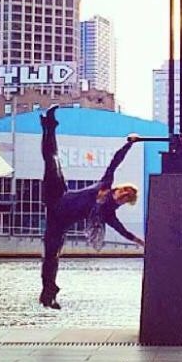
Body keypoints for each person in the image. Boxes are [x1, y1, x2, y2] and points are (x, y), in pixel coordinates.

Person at [39, 105, 145, 309]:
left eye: (125, 198)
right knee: (53, 160)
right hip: (59, 195)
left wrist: (141, 242)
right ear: (119, 188)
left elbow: (122, 231)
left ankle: (48, 296)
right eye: (123, 192)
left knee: (51, 258)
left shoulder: (108, 213)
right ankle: (49, 124)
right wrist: (129, 144)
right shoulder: (105, 184)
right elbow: (115, 162)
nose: (122, 196)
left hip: (58, 223)